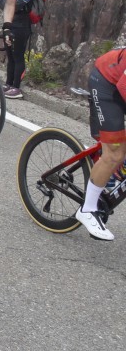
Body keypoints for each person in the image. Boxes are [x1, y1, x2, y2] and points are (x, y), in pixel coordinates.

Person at [75, 47, 126, 240]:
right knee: (114, 153)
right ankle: (87, 210)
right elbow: (123, 87)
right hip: (108, 84)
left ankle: (116, 171)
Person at [4, 0, 39, 99]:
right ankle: (8, 83)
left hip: (21, 26)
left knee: (17, 55)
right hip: (9, 23)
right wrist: (9, 4)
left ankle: (16, 87)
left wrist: (9, 4)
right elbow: (1, 3)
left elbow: (18, 4)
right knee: (10, 55)